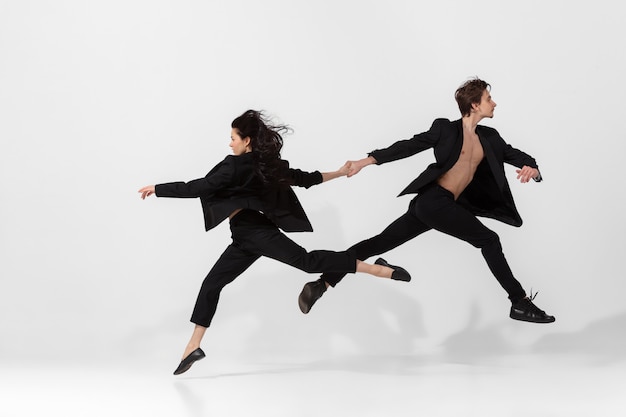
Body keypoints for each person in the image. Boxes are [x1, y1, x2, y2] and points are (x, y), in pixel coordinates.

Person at [138, 110, 410, 375]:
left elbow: (196, 187)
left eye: (233, 137)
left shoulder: (233, 166)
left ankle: (377, 269)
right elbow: (307, 179)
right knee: (212, 284)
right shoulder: (267, 166)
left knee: (307, 262)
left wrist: (158, 189)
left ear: (247, 141)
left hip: (256, 233)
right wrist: (338, 173)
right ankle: (193, 346)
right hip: (243, 238)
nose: (229, 142)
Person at [297, 78, 555, 324]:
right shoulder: (445, 129)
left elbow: (518, 155)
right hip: (433, 201)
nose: (494, 103)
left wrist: (533, 169)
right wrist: (365, 162)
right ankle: (518, 300)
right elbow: (408, 146)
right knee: (489, 240)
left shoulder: (490, 138)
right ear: (475, 104)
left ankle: (323, 282)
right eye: (489, 98)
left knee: (379, 242)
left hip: (440, 207)